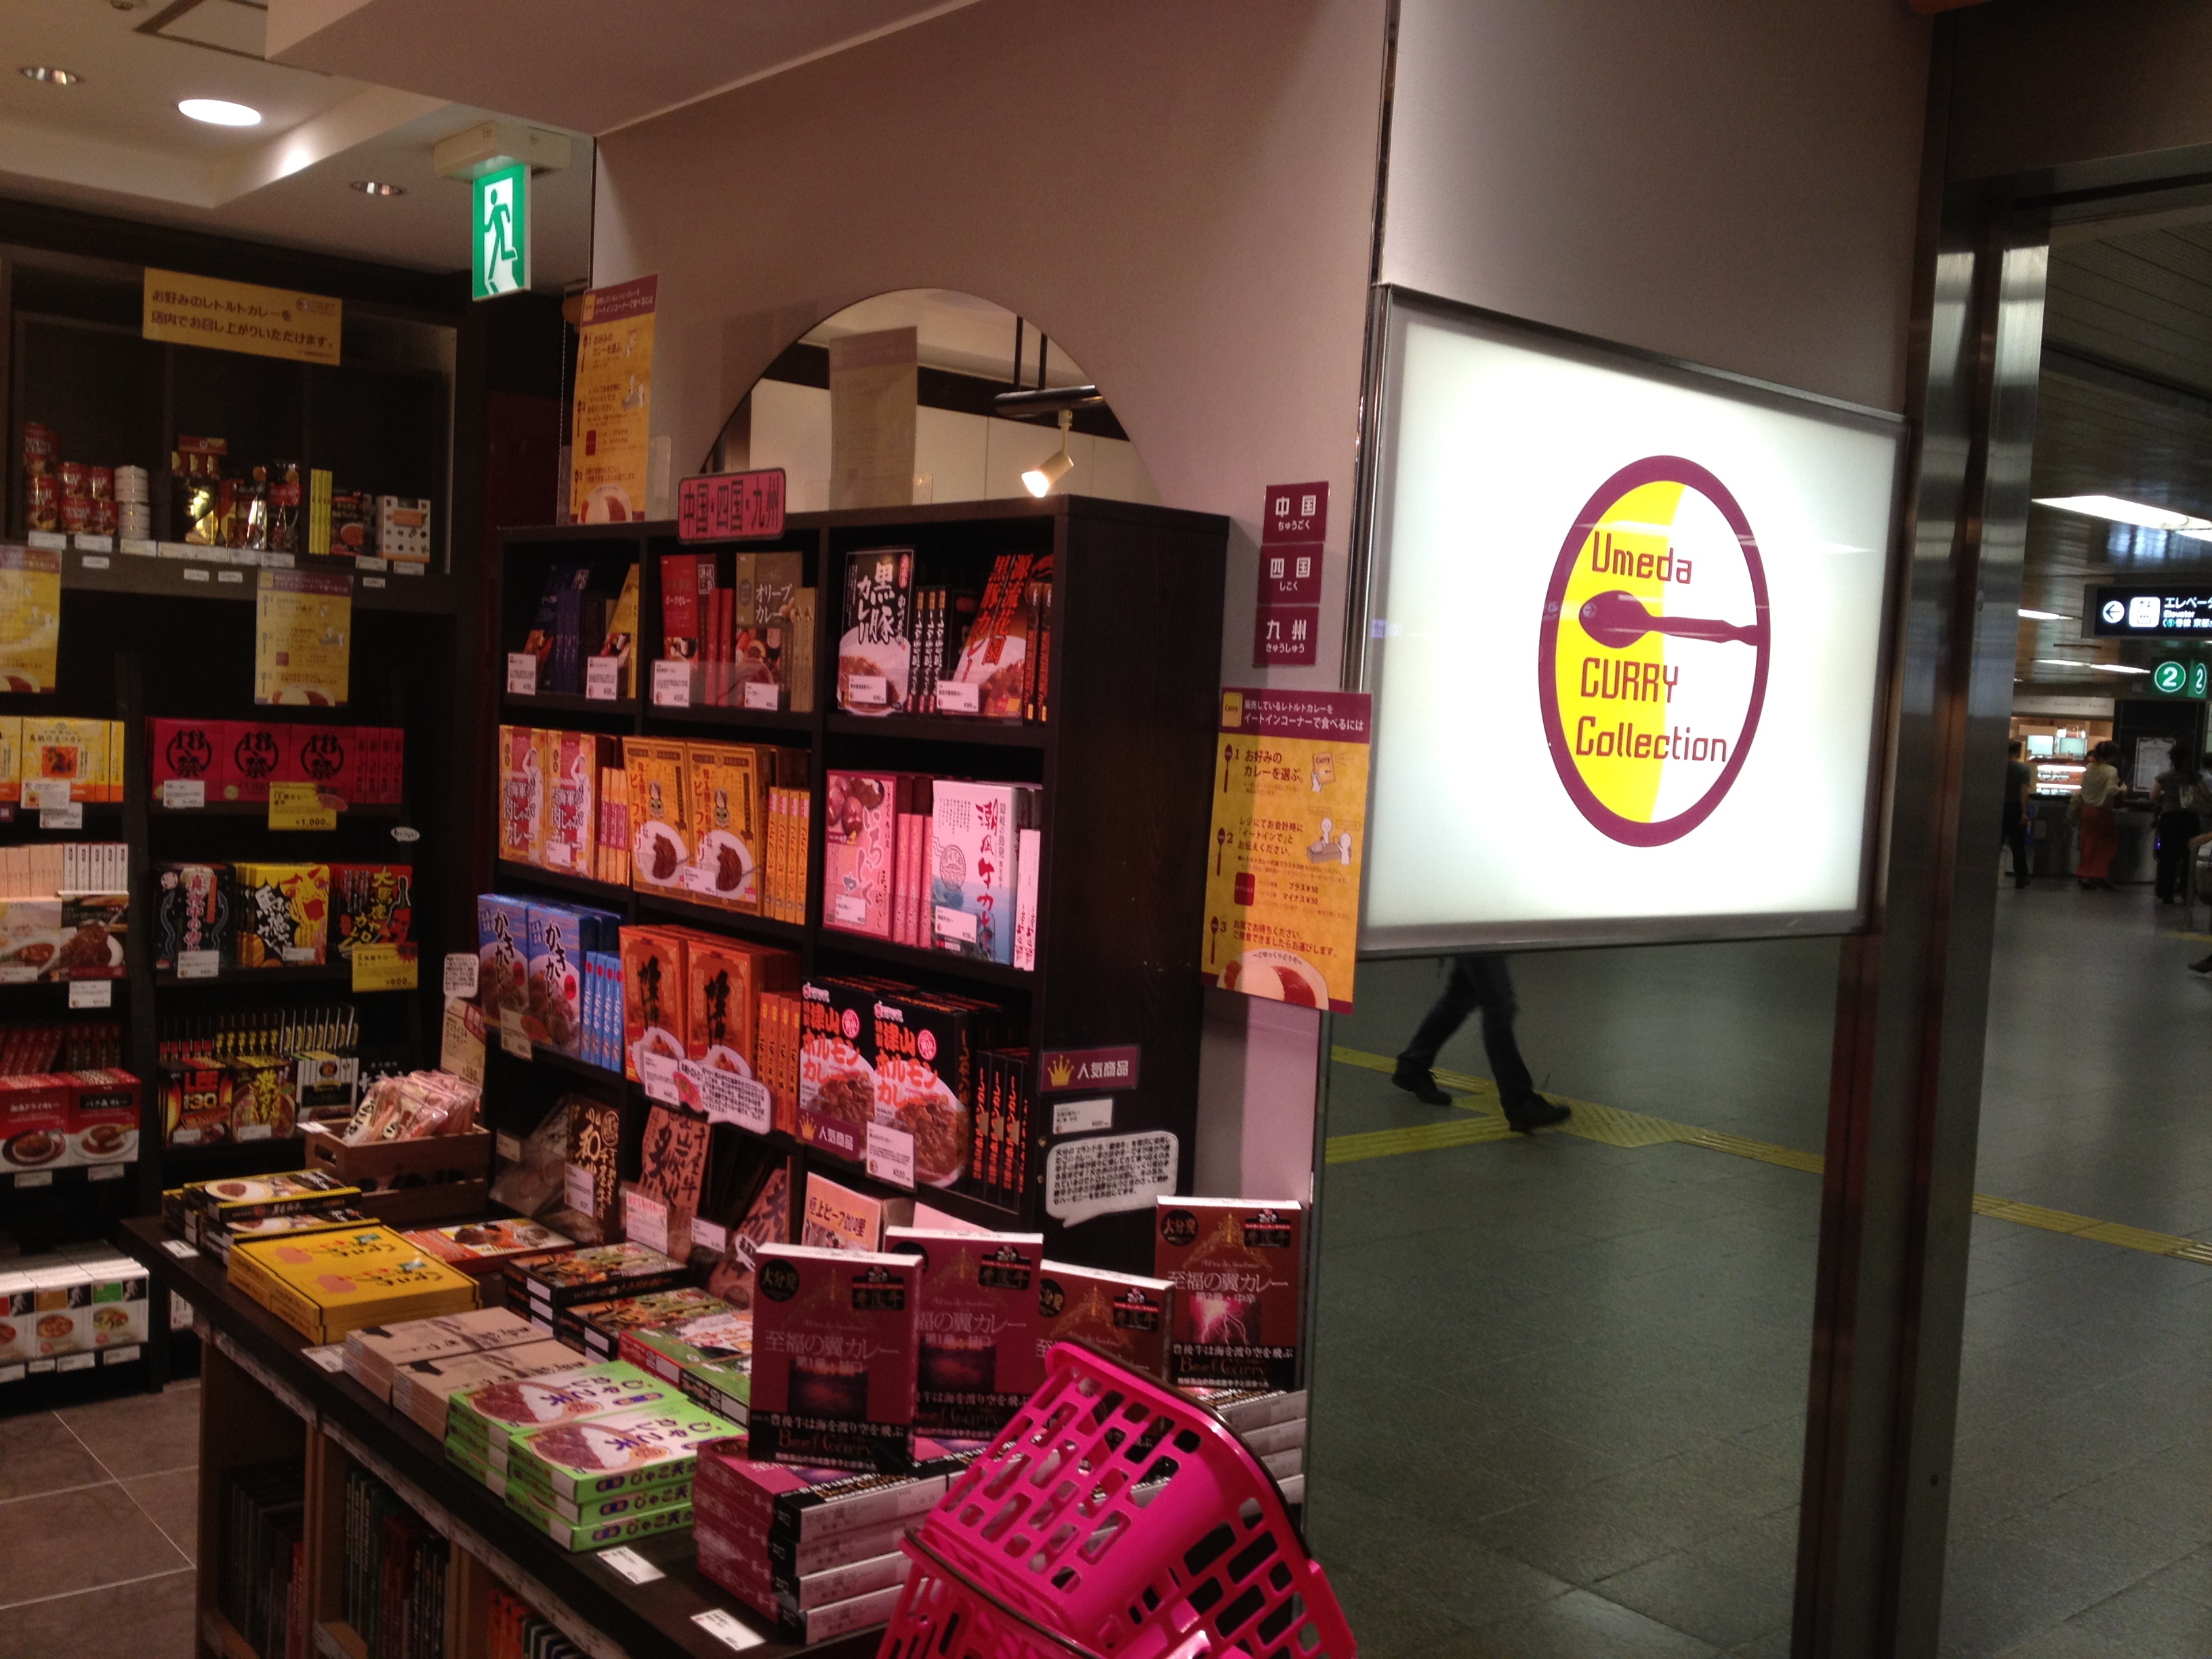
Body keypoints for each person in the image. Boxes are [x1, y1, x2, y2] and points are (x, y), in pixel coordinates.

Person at [1391, 954, 1572, 1132]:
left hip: (1474, 937)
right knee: (1498, 1006)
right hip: (1480, 940)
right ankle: (1520, 1103)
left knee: (1461, 995)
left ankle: (1413, 1066)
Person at [2150, 747, 2207, 904]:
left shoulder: (2164, 777)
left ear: (2172, 759)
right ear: (2187, 759)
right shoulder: (2194, 777)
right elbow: (2205, 795)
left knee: (2167, 856)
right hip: (2189, 819)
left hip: (2169, 819)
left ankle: (2166, 892)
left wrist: (2165, 798)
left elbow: (2153, 796)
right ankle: (2186, 890)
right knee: (2189, 855)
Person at [2074, 740, 2123, 890]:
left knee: (2088, 844)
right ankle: (2096, 875)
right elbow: (2112, 790)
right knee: (2105, 846)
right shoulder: (2111, 771)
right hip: (2102, 812)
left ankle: (2086, 875)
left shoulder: (2089, 768)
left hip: (2087, 811)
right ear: (2112, 756)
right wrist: (2123, 789)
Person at [2002, 739, 2032, 889]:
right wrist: (2024, 813)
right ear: (2019, 752)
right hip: (2015, 809)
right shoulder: (2024, 770)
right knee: (2018, 845)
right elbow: (2023, 792)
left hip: (2000, 807)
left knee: (1997, 843)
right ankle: (2021, 877)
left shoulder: (1999, 768)